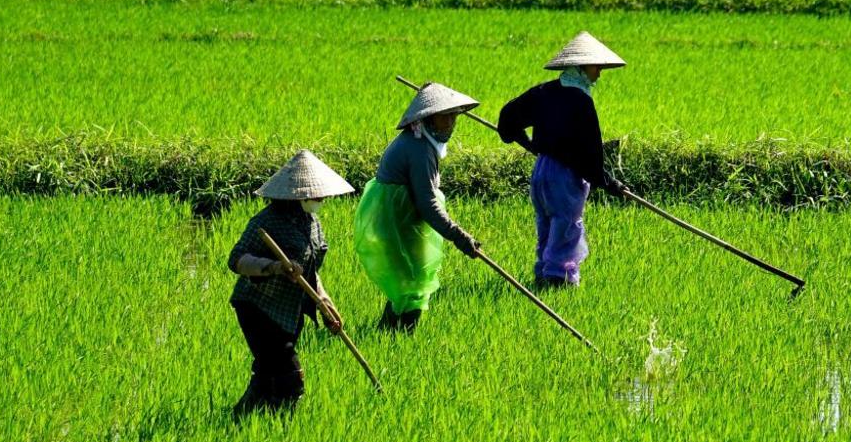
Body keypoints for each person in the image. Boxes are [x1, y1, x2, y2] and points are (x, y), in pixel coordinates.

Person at [226, 150, 353, 420]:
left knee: (266, 371)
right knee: (289, 375)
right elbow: (237, 259)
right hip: (258, 307)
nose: (322, 199)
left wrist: (326, 305)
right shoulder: (266, 221)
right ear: (298, 195)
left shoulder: (312, 223)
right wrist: (274, 267)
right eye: (317, 195)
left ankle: (242, 419)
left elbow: (310, 273)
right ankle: (283, 427)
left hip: (290, 310)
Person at [496, 31, 626, 289]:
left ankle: (543, 274)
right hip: (564, 176)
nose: (599, 73)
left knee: (547, 224)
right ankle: (558, 280)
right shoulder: (581, 101)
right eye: (596, 67)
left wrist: (530, 145)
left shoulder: (544, 91)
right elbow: (589, 155)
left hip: (541, 172)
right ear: (580, 66)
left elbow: (507, 118)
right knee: (565, 228)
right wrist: (610, 183)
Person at [354, 81, 483, 331]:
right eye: (445, 118)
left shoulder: (422, 141)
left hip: (400, 215)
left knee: (411, 281)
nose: (451, 124)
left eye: (454, 117)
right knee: (412, 281)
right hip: (395, 218)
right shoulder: (420, 149)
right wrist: (459, 236)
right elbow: (427, 202)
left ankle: (390, 337)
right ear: (429, 118)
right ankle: (394, 336)